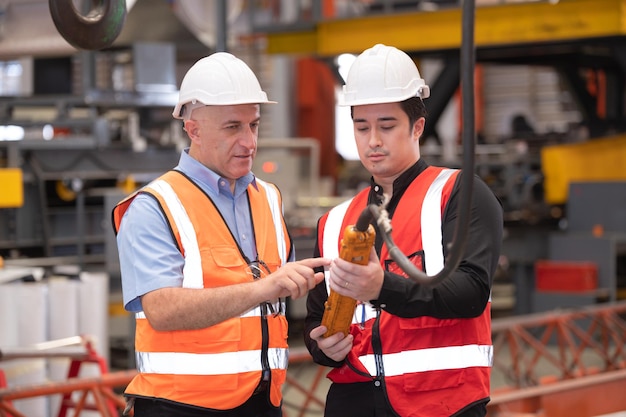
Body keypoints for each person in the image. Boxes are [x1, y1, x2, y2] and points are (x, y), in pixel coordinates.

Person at [112, 51, 330, 417]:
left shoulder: (269, 198)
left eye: (254, 125)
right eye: (233, 127)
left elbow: (277, 297)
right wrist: (266, 287)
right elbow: (161, 310)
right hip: (180, 406)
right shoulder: (154, 206)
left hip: (263, 400)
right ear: (193, 128)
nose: (249, 142)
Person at [304, 44, 503, 417]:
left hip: (441, 403)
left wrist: (382, 288)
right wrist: (321, 347)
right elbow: (317, 317)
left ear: (417, 126)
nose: (373, 140)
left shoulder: (459, 194)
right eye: (361, 127)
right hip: (354, 404)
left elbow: (471, 292)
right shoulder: (333, 222)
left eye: (387, 126)